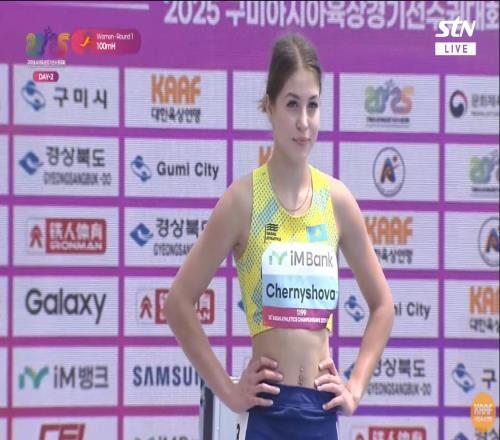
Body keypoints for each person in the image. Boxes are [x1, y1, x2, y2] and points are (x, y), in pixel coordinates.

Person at [165, 33, 394, 439]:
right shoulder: (242, 201)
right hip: (266, 416)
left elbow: (383, 306)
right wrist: (230, 391)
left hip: (321, 414)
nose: (304, 122)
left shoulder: (337, 201)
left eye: (313, 105)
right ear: (269, 107)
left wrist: (355, 386)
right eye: (292, 104)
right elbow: (178, 303)